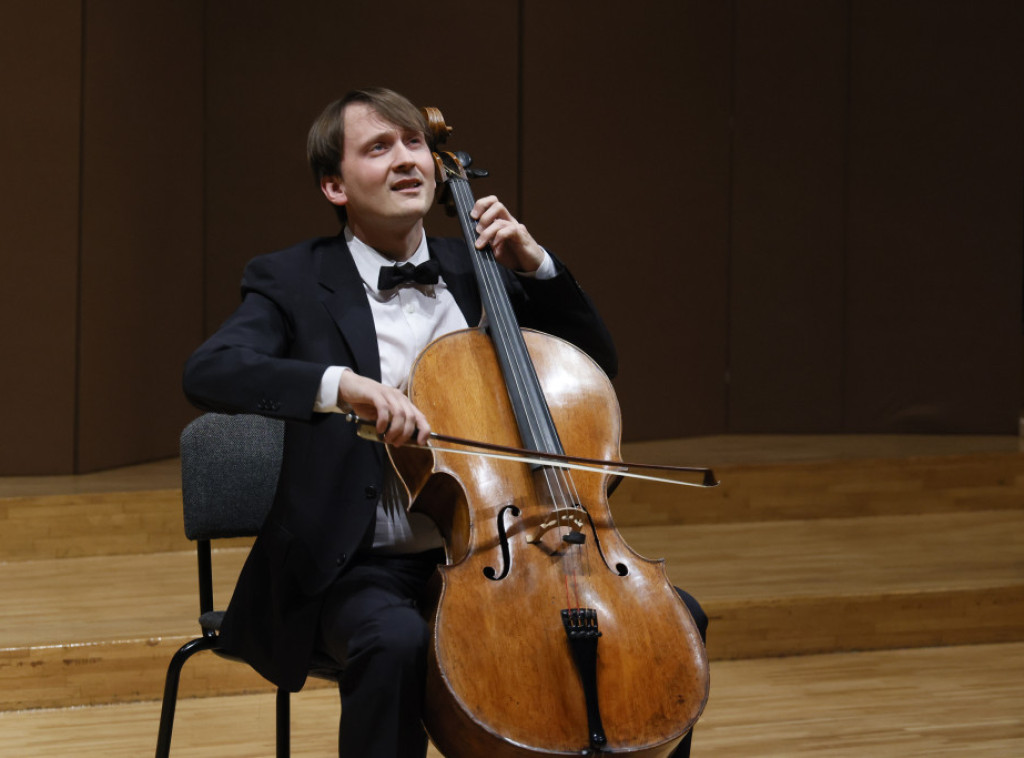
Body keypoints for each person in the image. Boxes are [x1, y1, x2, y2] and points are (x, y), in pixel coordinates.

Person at [183, 87, 705, 758]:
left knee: (672, 622)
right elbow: (210, 370)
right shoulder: (291, 279)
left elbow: (593, 365)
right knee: (394, 642)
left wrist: (538, 267)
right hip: (359, 566)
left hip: (506, 554)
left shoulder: (478, 265)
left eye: (414, 144)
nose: (407, 159)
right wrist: (341, 386)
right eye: (379, 147)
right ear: (336, 186)